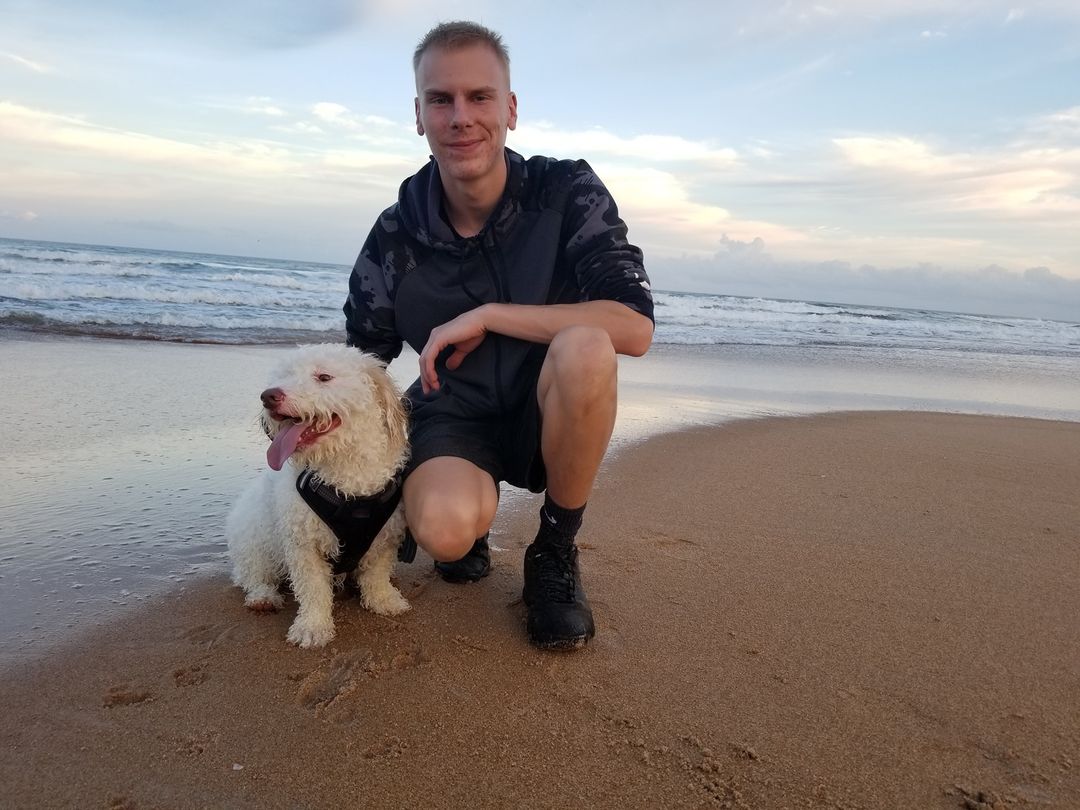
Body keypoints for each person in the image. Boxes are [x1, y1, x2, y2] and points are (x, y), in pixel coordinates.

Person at [344, 20, 653, 650]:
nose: (461, 117)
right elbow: (357, 364)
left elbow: (634, 324)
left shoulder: (565, 191)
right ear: (419, 114)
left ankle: (554, 554)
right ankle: (471, 525)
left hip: (550, 406)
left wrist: (489, 315)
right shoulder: (395, 234)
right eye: (441, 99)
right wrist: (319, 483)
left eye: (479, 97)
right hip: (453, 414)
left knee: (588, 344)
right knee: (444, 529)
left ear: (509, 108)